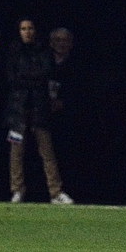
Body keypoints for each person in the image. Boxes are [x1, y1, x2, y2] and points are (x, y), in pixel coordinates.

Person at [5, 18, 74, 205]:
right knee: (16, 152)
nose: (27, 32)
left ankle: (55, 191)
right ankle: (17, 190)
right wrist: (31, 79)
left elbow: (44, 74)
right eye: (23, 28)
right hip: (18, 111)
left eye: (30, 28)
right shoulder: (14, 51)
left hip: (39, 110)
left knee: (47, 152)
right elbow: (12, 79)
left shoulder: (44, 51)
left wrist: (26, 78)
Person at [48, 27, 89, 202]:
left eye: (64, 40)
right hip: (46, 116)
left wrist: (64, 101)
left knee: (68, 155)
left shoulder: (78, 65)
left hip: (69, 118)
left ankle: (69, 191)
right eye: (57, 40)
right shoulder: (44, 62)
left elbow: (82, 90)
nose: (61, 44)